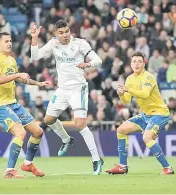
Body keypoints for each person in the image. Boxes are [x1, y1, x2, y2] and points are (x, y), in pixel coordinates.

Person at [30, 19, 104, 175]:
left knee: (80, 124)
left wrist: (87, 64)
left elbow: (98, 60)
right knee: (48, 120)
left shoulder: (80, 44)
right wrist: (34, 38)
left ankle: (97, 159)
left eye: (67, 32)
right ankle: (66, 139)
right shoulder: (53, 44)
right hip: (62, 89)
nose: (65, 35)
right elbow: (35, 57)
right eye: (61, 33)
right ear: (56, 34)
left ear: (70, 31)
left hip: (78, 88)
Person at [0, 32, 49, 178]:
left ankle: (27, 164)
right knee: (20, 133)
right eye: (6, 41)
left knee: (38, 132)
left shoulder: (11, 59)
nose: (9, 43)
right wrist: (17, 75)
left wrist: (38, 83)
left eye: (10, 40)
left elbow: (20, 79)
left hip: (12, 103)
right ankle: (9, 171)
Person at [105, 51, 174, 175]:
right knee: (120, 130)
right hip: (146, 115)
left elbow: (145, 93)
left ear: (144, 64)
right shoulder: (130, 79)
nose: (136, 64)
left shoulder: (148, 77)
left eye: (139, 61)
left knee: (146, 138)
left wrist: (128, 89)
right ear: (130, 64)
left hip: (160, 113)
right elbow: (126, 101)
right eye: (134, 61)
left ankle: (168, 168)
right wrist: (121, 95)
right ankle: (122, 166)